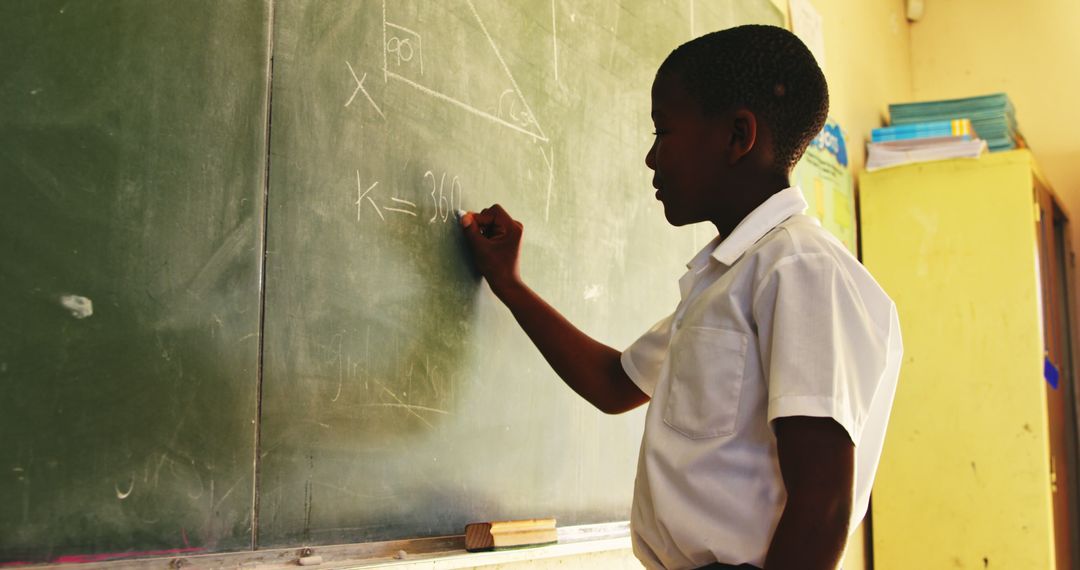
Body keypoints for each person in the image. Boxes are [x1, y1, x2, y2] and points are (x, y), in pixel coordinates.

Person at [458, 25, 902, 570]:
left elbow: (823, 504)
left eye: (663, 131)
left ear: (738, 135)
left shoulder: (800, 271)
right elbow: (615, 383)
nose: (651, 158)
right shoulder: (726, 279)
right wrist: (510, 286)